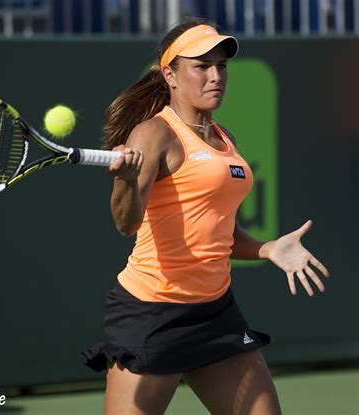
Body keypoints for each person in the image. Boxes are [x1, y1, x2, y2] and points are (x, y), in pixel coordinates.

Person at [82, 17, 330, 415]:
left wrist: (268, 248)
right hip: (151, 313)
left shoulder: (224, 136)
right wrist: (126, 183)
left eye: (222, 66)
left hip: (215, 313)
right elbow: (126, 224)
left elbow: (220, 230)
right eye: (201, 66)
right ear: (171, 75)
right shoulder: (153, 134)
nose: (216, 76)